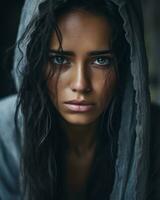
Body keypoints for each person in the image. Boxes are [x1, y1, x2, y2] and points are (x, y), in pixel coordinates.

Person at [0, 0, 160, 200]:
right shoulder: (4, 135)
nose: (80, 84)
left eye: (101, 60)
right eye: (60, 59)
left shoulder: (154, 136)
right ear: (36, 63)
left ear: (126, 65)